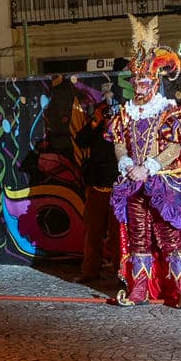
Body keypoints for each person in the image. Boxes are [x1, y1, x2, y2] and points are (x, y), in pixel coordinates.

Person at [108, 16, 181, 308]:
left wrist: (150, 167)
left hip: (165, 183)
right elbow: (119, 143)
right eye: (136, 81)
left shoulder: (170, 112)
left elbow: (174, 146)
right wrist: (127, 164)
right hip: (133, 183)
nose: (139, 86)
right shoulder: (124, 114)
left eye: (144, 81)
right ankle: (138, 291)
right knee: (139, 239)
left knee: (171, 239)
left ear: (155, 82)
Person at [72, 98, 120, 283]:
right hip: (96, 187)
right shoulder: (97, 128)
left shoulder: (122, 130)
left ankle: (121, 274)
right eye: (105, 112)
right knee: (93, 233)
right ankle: (89, 272)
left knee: (118, 236)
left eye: (111, 112)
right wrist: (95, 121)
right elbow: (81, 141)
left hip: (118, 189)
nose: (108, 115)